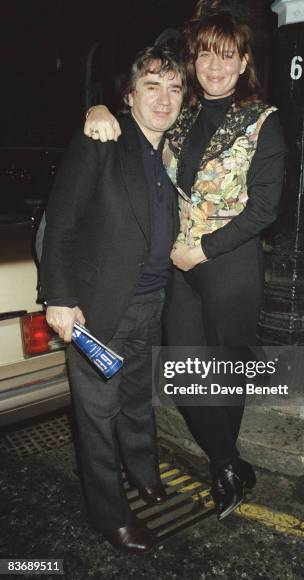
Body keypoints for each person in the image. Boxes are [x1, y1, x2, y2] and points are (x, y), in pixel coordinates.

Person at [84, 0, 287, 520]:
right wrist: (98, 107)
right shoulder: (183, 114)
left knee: (224, 374)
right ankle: (230, 464)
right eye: (204, 56)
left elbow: (265, 207)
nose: (214, 66)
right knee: (183, 370)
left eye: (227, 56)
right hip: (182, 267)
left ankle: (224, 467)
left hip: (230, 265)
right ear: (193, 61)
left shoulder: (262, 121)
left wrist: (205, 249)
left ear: (244, 62)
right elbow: (137, 131)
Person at [40, 46, 185, 553]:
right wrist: (58, 296)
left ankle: (144, 472)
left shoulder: (172, 152)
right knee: (98, 417)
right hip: (98, 307)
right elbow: (58, 224)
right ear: (130, 96)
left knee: (138, 401)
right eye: (152, 86)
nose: (164, 98)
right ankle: (109, 514)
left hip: (151, 303)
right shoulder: (102, 140)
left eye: (174, 88)